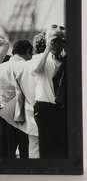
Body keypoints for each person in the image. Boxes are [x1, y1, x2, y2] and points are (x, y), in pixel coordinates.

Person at [32, 25, 67, 158]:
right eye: (54, 40)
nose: (57, 44)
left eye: (60, 40)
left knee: (60, 147)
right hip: (44, 107)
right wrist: (48, 48)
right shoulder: (39, 58)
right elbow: (36, 70)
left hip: (60, 108)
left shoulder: (66, 59)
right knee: (46, 147)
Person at [0, 40, 33, 159]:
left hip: (5, 113)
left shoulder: (1, 67)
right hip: (22, 113)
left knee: (7, 155)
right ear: (28, 52)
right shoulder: (26, 66)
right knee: (25, 153)